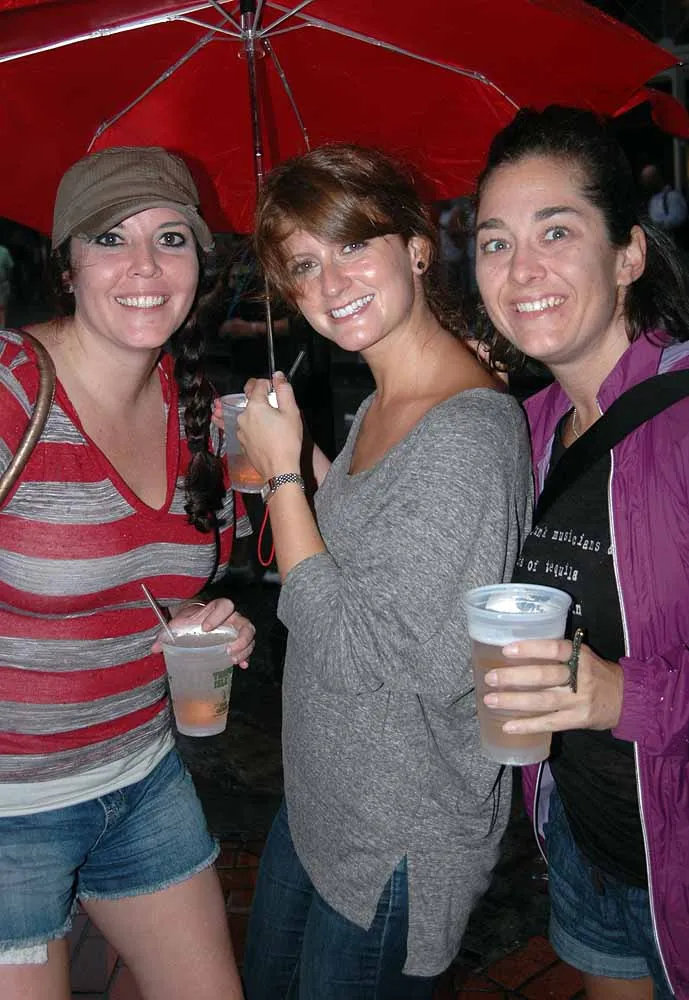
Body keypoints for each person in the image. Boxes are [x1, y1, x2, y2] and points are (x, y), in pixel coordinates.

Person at [231, 144, 532, 999]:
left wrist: (283, 477)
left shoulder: (466, 434)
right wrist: (308, 463)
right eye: (302, 265)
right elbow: (373, 546)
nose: (330, 284)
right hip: (324, 797)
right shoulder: (382, 402)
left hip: (395, 833)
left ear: (417, 248)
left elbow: (368, 654)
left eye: (352, 245)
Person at [0, 146, 256, 1000]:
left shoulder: (203, 413)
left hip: (141, 779)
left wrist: (210, 621)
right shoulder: (11, 388)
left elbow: (168, 581)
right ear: (67, 265)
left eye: (171, 238)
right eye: (110, 237)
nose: (144, 266)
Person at [473, 106, 689, 1000]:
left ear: (628, 253)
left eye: (554, 231)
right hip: (579, 836)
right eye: (494, 242)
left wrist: (619, 694)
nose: (520, 270)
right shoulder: (525, 429)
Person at [0, 242, 13, 327]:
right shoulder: (4, 251)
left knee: (2, 309)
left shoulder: (4, 251)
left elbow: (10, 269)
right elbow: (10, 269)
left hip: (2, 285)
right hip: (3, 283)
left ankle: (2, 329)